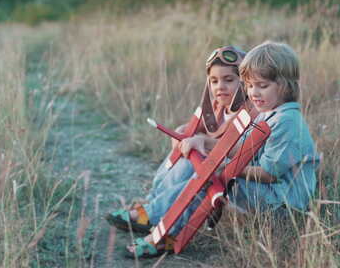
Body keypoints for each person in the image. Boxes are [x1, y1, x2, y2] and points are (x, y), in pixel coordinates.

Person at [121, 40, 320, 259]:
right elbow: (240, 150)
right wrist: (206, 146)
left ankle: (164, 236)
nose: (253, 93)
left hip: (283, 203)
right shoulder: (267, 112)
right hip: (268, 192)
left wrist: (223, 167)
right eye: (250, 85)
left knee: (212, 177)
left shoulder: (286, 120)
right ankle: (158, 217)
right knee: (208, 170)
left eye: (262, 86)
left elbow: (269, 174)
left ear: (284, 85)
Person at [104, 46, 254, 238]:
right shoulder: (218, 107)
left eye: (229, 80)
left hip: (227, 174)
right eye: (214, 81)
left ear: (244, 82)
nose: (220, 87)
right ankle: (151, 205)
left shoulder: (247, 114)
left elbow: (237, 150)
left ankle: (153, 214)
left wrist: (200, 141)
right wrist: (183, 131)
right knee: (184, 155)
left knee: (192, 163)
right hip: (206, 164)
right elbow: (200, 130)